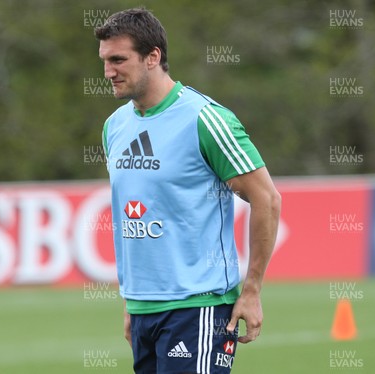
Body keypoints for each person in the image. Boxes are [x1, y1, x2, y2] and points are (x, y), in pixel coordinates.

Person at [95, 7, 281, 374]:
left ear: (153, 57)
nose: (107, 72)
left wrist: (252, 290)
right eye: (103, 60)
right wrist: (133, 303)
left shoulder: (205, 120)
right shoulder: (114, 126)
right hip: (143, 309)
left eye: (118, 60)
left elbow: (267, 198)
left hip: (199, 307)